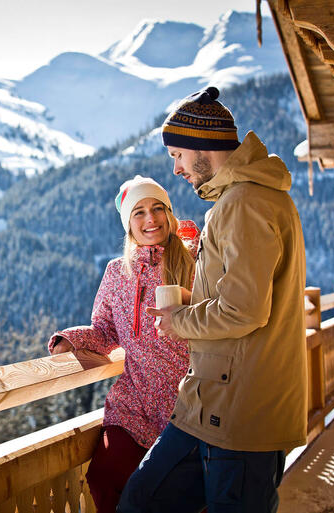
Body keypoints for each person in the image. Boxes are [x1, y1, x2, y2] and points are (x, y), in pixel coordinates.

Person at [118, 87, 307, 513]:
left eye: (177, 155)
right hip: (207, 403)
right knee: (141, 501)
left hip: (241, 412)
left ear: (202, 146)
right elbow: (240, 295)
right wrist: (194, 298)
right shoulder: (240, 199)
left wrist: (178, 320)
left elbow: (243, 309)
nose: (177, 168)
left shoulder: (246, 202)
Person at [47, 175, 199, 513]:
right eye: (139, 212)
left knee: (177, 495)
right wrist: (71, 339)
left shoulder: (193, 263)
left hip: (186, 403)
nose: (150, 219)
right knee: (105, 476)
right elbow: (105, 330)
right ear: (128, 224)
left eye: (158, 209)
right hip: (134, 402)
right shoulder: (117, 272)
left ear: (170, 214)